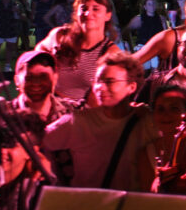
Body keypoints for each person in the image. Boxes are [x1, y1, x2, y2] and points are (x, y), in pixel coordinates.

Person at [43, 51, 157, 191]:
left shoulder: (146, 122)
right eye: (97, 80)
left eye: (109, 81)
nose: (100, 87)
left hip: (132, 207)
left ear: (131, 87)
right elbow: (37, 141)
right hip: (90, 207)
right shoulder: (79, 122)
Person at [35, 0, 123, 106]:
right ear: (76, 13)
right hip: (49, 107)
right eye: (83, 8)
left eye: (95, 9)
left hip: (83, 116)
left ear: (107, 15)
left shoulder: (110, 52)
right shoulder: (60, 35)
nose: (88, 13)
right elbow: (35, 58)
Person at [125, 0, 168, 72]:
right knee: (143, 69)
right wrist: (130, 46)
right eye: (149, 4)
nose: (152, 6)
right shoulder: (139, 19)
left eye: (154, 4)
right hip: (143, 46)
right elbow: (126, 30)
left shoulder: (161, 18)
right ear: (145, 7)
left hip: (156, 46)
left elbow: (165, 33)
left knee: (156, 67)